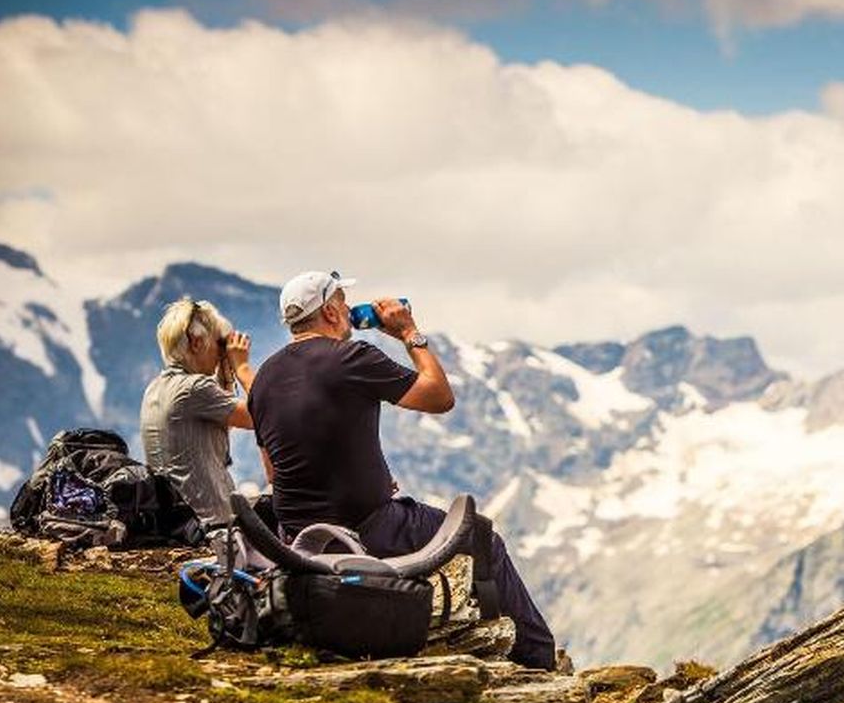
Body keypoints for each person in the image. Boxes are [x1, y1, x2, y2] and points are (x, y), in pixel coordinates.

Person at [247, 270, 556, 670]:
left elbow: (273, 473)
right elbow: (439, 397)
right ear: (329, 311)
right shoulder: (351, 357)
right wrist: (409, 332)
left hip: (299, 537)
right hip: (369, 525)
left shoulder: (264, 378)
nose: (348, 312)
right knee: (484, 540)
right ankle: (533, 663)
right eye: (343, 303)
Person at [140, 298, 254, 528]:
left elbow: (225, 420)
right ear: (196, 342)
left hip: (180, 521)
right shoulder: (195, 389)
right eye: (219, 344)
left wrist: (225, 373)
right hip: (212, 522)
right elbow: (262, 415)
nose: (222, 352)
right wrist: (241, 367)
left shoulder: (156, 388)